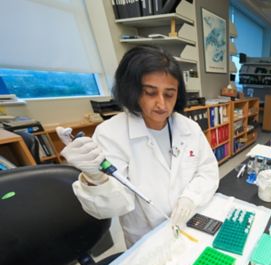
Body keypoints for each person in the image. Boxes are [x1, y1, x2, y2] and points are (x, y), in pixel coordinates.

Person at [61, 45, 219, 247]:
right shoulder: (111, 134)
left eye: (169, 94)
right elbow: (114, 205)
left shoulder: (189, 128)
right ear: (133, 90)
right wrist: (95, 179)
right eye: (151, 93)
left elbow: (207, 170)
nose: (161, 104)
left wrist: (190, 198)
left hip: (190, 224)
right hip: (147, 238)